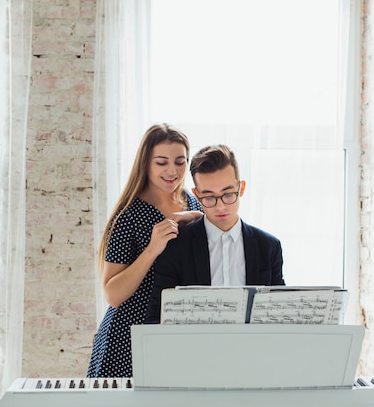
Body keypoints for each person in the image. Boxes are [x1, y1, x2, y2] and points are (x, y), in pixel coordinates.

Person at [87, 123, 203, 377]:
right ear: (146, 163)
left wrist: (199, 219)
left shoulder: (194, 202)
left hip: (177, 334)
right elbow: (113, 295)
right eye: (161, 162)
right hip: (128, 336)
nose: (172, 170)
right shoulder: (127, 216)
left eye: (180, 161)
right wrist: (152, 249)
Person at [146, 144, 285, 324]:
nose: (220, 206)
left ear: (241, 188)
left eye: (228, 194)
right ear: (196, 195)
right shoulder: (176, 247)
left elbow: (279, 316)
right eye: (209, 197)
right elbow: (156, 319)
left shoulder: (268, 247)